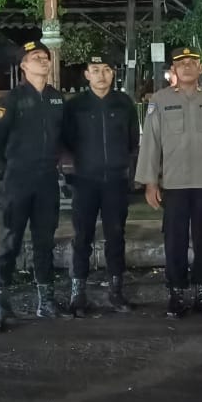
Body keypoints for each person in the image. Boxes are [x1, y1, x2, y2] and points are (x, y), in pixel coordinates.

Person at [135, 47, 202, 319]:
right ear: (173, 69)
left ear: (200, 68)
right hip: (174, 185)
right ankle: (177, 295)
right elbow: (151, 144)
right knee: (175, 242)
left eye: (192, 62)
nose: (187, 67)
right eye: (181, 63)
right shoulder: (160, 100)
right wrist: (150, 182)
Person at [0, 39, 67, 328]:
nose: (43, 61)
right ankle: (0, 297)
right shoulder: (10, 99)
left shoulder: (56, 98)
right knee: (10, 239)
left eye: (45, 57)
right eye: (36, 57)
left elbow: (64, 136)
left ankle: (45, 299)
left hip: (47, 179)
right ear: (23, 65)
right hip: (18, 179)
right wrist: (13, 166)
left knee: (44, 241)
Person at [62, 53, 140, 315]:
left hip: (115, 181)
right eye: (95, 70)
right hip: (85, 181)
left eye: (106, 69)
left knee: (116, 236)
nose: (101, 75)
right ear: (87, 74)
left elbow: (132, 141)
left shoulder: (124, 103)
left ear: (113, 73)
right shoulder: (75, 105)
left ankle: (116, 291)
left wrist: (128, 169)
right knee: (82, 237)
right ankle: (78, 293)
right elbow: (66, 141)